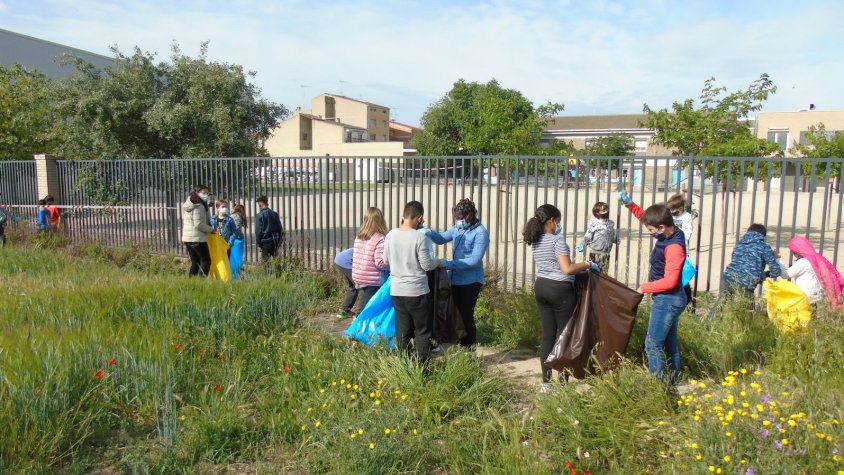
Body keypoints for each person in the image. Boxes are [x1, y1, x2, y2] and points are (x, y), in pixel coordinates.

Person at [523, 204, 599, 391]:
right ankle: (563, 383)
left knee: (548, 336)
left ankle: (546, 384)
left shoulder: (536, 239)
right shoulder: (557, 241)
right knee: (565, 336)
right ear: (552, 221)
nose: (559, 225)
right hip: (560, 289)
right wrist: (588, 263)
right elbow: (567, 269)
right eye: (558, 221)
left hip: (541, 286)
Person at [618, 191, 687, 386]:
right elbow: (648, 218)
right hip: (670, 299)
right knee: (669, 343)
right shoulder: (671, 230)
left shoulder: (674, 247)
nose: (650, 232)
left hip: (668, 300)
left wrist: (644, 287)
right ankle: (673, 382)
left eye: (651, 230)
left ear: (662, 227)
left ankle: (659, 386)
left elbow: (671, 280)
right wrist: (631, 205)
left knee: (653, 344)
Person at [423, 198, 490, 348]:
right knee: (454, 314)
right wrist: (428, 232)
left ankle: (468, 347)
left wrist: (448, 264)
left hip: (471, 281)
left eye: (461, 218)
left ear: (470, 215)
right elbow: (440, 239)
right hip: (455, 279)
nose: (459, 221)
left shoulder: (481, 233)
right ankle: (456, 342)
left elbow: (474, 260)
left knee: (465, 315)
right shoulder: (457, 229)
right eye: (457, 218)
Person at [383, 201, 442, 363]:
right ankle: (421, 367)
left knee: (402, 330)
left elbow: (385, 260)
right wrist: (439, 261)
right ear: (420, 218)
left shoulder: (390, 235)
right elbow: (427, 265)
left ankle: (404, 364)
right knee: (422, 331)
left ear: (404, 215)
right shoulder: (420, 237)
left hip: (397, 291)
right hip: (417, 291)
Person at [779, 236, 844, 308]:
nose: (794, 255)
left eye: (794, 252)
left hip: (807, 298)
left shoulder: (803, 262)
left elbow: (785, 275)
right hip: (818, 297)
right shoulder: (816, 258)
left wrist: (778, 259)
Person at [721, 224, 782, 298]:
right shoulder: (764, 247)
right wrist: (765, 274)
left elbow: (736, 262)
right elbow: (776, 271)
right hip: (746, 283)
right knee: (747, 309)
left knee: (722, 307)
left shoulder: (739, 245)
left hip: (728, 279)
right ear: (763, 236)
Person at [352, 207, 390, 311]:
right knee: (367, 309)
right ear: (380, 220)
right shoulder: (380, 238)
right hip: (372, 279)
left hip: (358, 276)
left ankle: (359, 321)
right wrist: (392, 265)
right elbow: (380, 263)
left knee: (364, 303)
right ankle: (359, 325)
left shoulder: (359, 237)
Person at [575, 201, 617, 273]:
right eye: (604, 210)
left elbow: (612, 234)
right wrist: (583, 244)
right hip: (596, 253)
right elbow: (588, 236)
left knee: (604, 273)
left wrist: (615, 239)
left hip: (606, 253)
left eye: (607, 209)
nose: (606, 211)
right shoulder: (594, 223)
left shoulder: (611, 223)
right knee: (595, 273)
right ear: (597, 213)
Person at [667, 193, 695, 303]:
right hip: (670, 250)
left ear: (680, 207)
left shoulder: (686, 217)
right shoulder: (669, 216)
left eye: (674, 209)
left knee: (683, 280)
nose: (672, 211)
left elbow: (688, 234)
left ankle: (688, 302)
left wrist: (676, 234)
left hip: (682, 252)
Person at [181, 185, 214, 277]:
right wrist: (212, 230)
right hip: (197, 238)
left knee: (196, 263)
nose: (206, 195)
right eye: (203, 193)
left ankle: (192, 283)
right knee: (206, 261)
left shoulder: (190, 203)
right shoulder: (198, 206)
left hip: (188, 238)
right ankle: (201, 283)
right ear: (196, 193)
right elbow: (199, 225)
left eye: (207, 193)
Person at [255, 196, 284, 262]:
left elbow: (258, 231)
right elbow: (280, 228)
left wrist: (259, 243)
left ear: (261, 204)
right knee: (276, 261)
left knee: (265, 262)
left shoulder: (259, 216)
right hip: (275, 240)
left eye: (259, 205)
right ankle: (276, 272)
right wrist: (280, 240)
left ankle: (267, 272)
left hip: (266, 242)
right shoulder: (275, 214)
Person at [334, 247, 358, 319]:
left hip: (340, 259)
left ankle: (345, 310)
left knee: (354, 286)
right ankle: (359, 314)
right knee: (359, 285)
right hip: (345, 261)